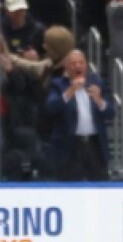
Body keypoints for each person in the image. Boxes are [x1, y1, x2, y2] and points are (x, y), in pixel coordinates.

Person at [43, 49, 114, 180]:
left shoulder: (98, 83)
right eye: (73, 63)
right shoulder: (58, 85)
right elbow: (50, 108)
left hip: (94, 143)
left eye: (81, 63)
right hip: (70, 145)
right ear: (66, 67)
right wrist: (70, 91)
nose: (77, 66)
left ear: (86, 65)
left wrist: (99, 100)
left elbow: (111, 112)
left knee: (99, 182)